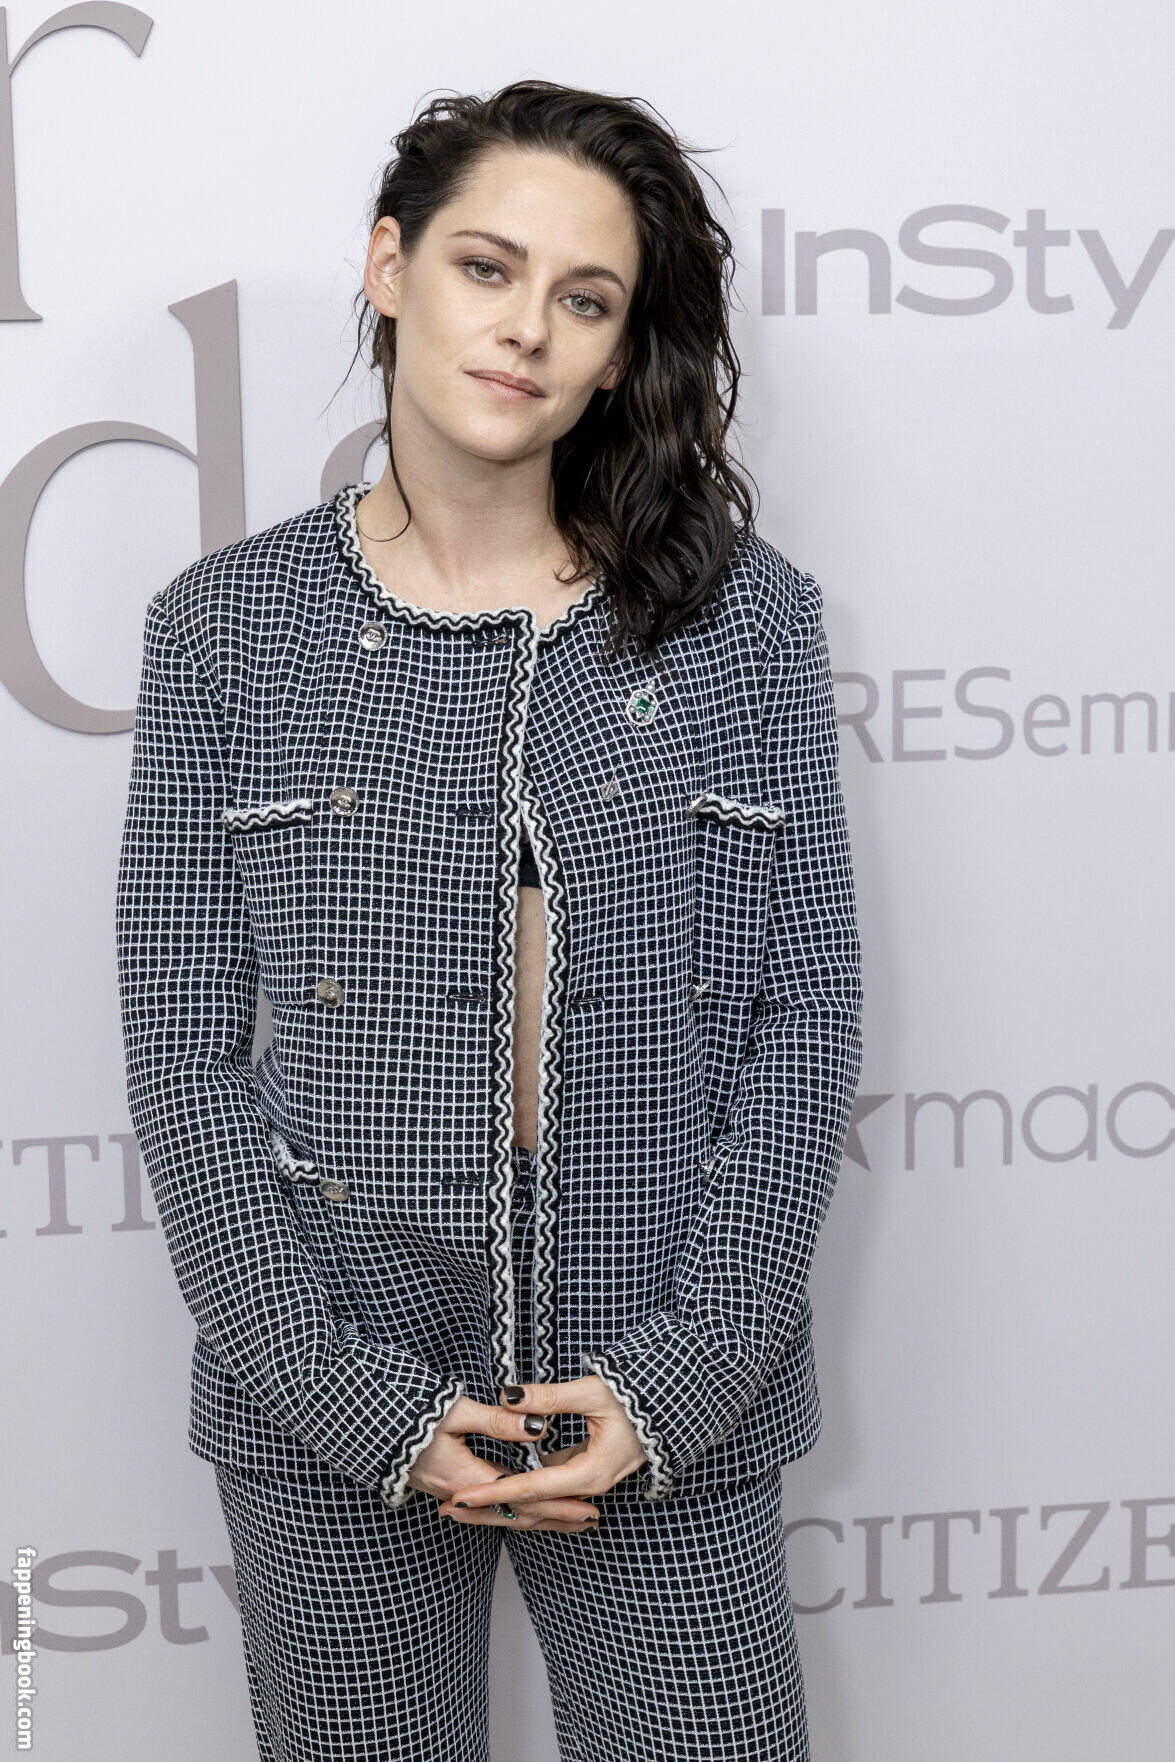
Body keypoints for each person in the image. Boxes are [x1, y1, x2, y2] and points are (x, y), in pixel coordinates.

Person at [115, 78, 863, 1762]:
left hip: (669, 1380)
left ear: (619, 351)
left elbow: (802, 1020)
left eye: (585, 299)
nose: (527, 327)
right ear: (391, 268)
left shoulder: (747, 625)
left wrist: (685, 1377)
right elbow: (181, 1056)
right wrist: (347, 1397)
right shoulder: (223, 631)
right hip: (326, 1388)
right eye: (486, 267)